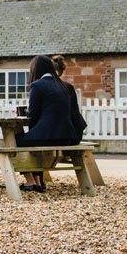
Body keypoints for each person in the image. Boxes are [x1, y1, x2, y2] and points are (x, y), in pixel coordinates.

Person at [15, 54, 84, 192]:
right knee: (33, 141)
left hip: (49, 136)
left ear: (35, 69)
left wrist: (25, 117)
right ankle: (38, 181)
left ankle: (31, 181)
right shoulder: (66, 86)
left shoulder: (37, 85)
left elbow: (33, 116)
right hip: (68, 137)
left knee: (16, 141)